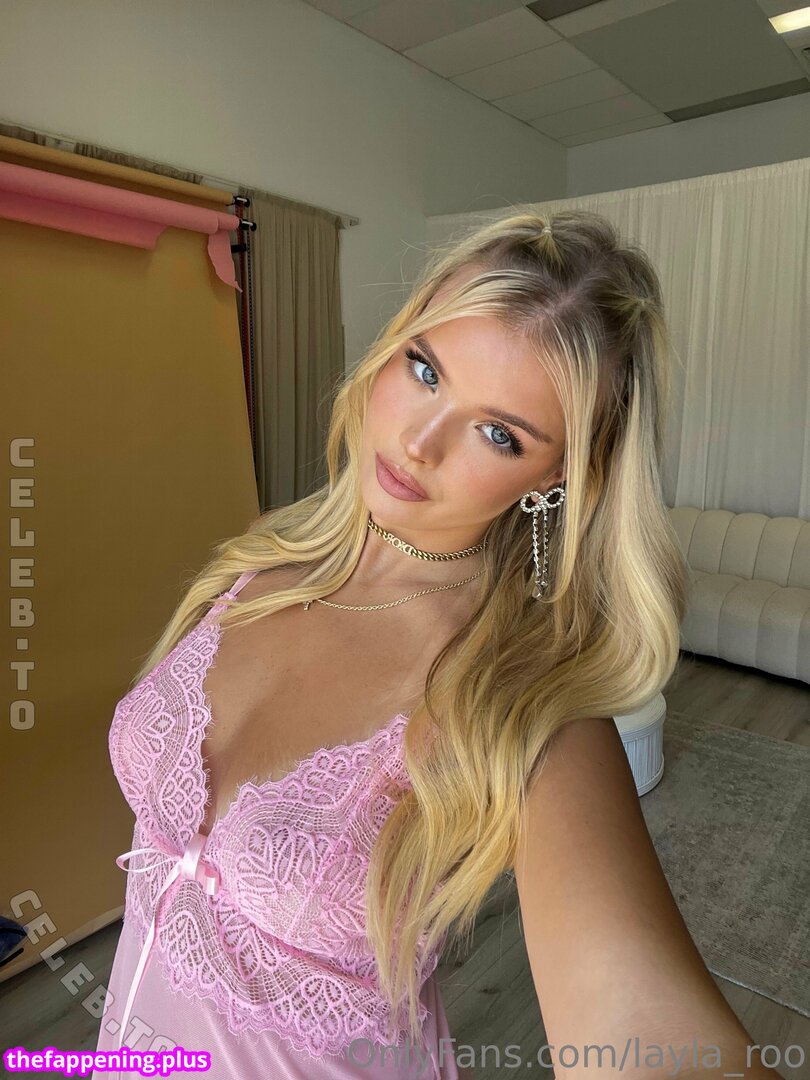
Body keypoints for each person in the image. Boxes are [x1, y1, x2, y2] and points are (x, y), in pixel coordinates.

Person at [93, 210, 777, 1079]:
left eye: (499, 433)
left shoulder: (519, 709)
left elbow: (654, 1037)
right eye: (425, 370)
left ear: (556, 475)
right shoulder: (264, 561)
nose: (419, 444)